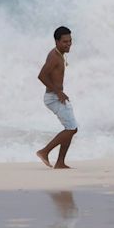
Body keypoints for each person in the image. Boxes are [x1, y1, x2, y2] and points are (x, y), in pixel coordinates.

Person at [36, 26, 78, 169]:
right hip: (53, 97)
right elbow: (41, 76)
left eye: (70, 41)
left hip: (56, 95)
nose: (68, 44)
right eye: (65, 42)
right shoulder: (54, 57)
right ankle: (44, 151)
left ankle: (60, 162)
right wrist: (58, 92)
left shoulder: (59, 54)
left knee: (70, 128)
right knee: (72, 129)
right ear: (56, 41)